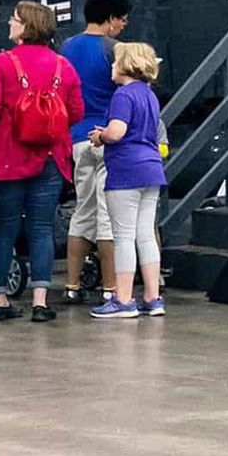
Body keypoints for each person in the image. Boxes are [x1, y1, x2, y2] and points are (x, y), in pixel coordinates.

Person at [0, 1, 83, 324]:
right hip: (49, 157)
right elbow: (75, 112)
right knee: (41, 228)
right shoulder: (64, 67)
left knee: (4, 227)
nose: (9, 23)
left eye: (15, 20)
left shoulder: (3, 64)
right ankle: (40, 301)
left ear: (27, 27)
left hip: (7, 158)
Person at [61, 0, 131, 304]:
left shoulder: (67, 47)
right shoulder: (114, 49)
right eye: (122, 20)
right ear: (111, 19)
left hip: (77, 139)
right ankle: (110, 288)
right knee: (108, 216)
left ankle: (72, 286)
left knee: (82, 212)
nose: (123, 26)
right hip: (108, 139)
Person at [88, 42, 166, 320]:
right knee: (146, 235)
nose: (111, 66)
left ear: (126, 65)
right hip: (152, 168)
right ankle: (152, 297)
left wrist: (101, 136)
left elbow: (117, 132)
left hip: (126, 171)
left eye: (115, 61)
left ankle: (123, 299)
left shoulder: (122, 95)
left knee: (123, 237)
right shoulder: (149, 95)